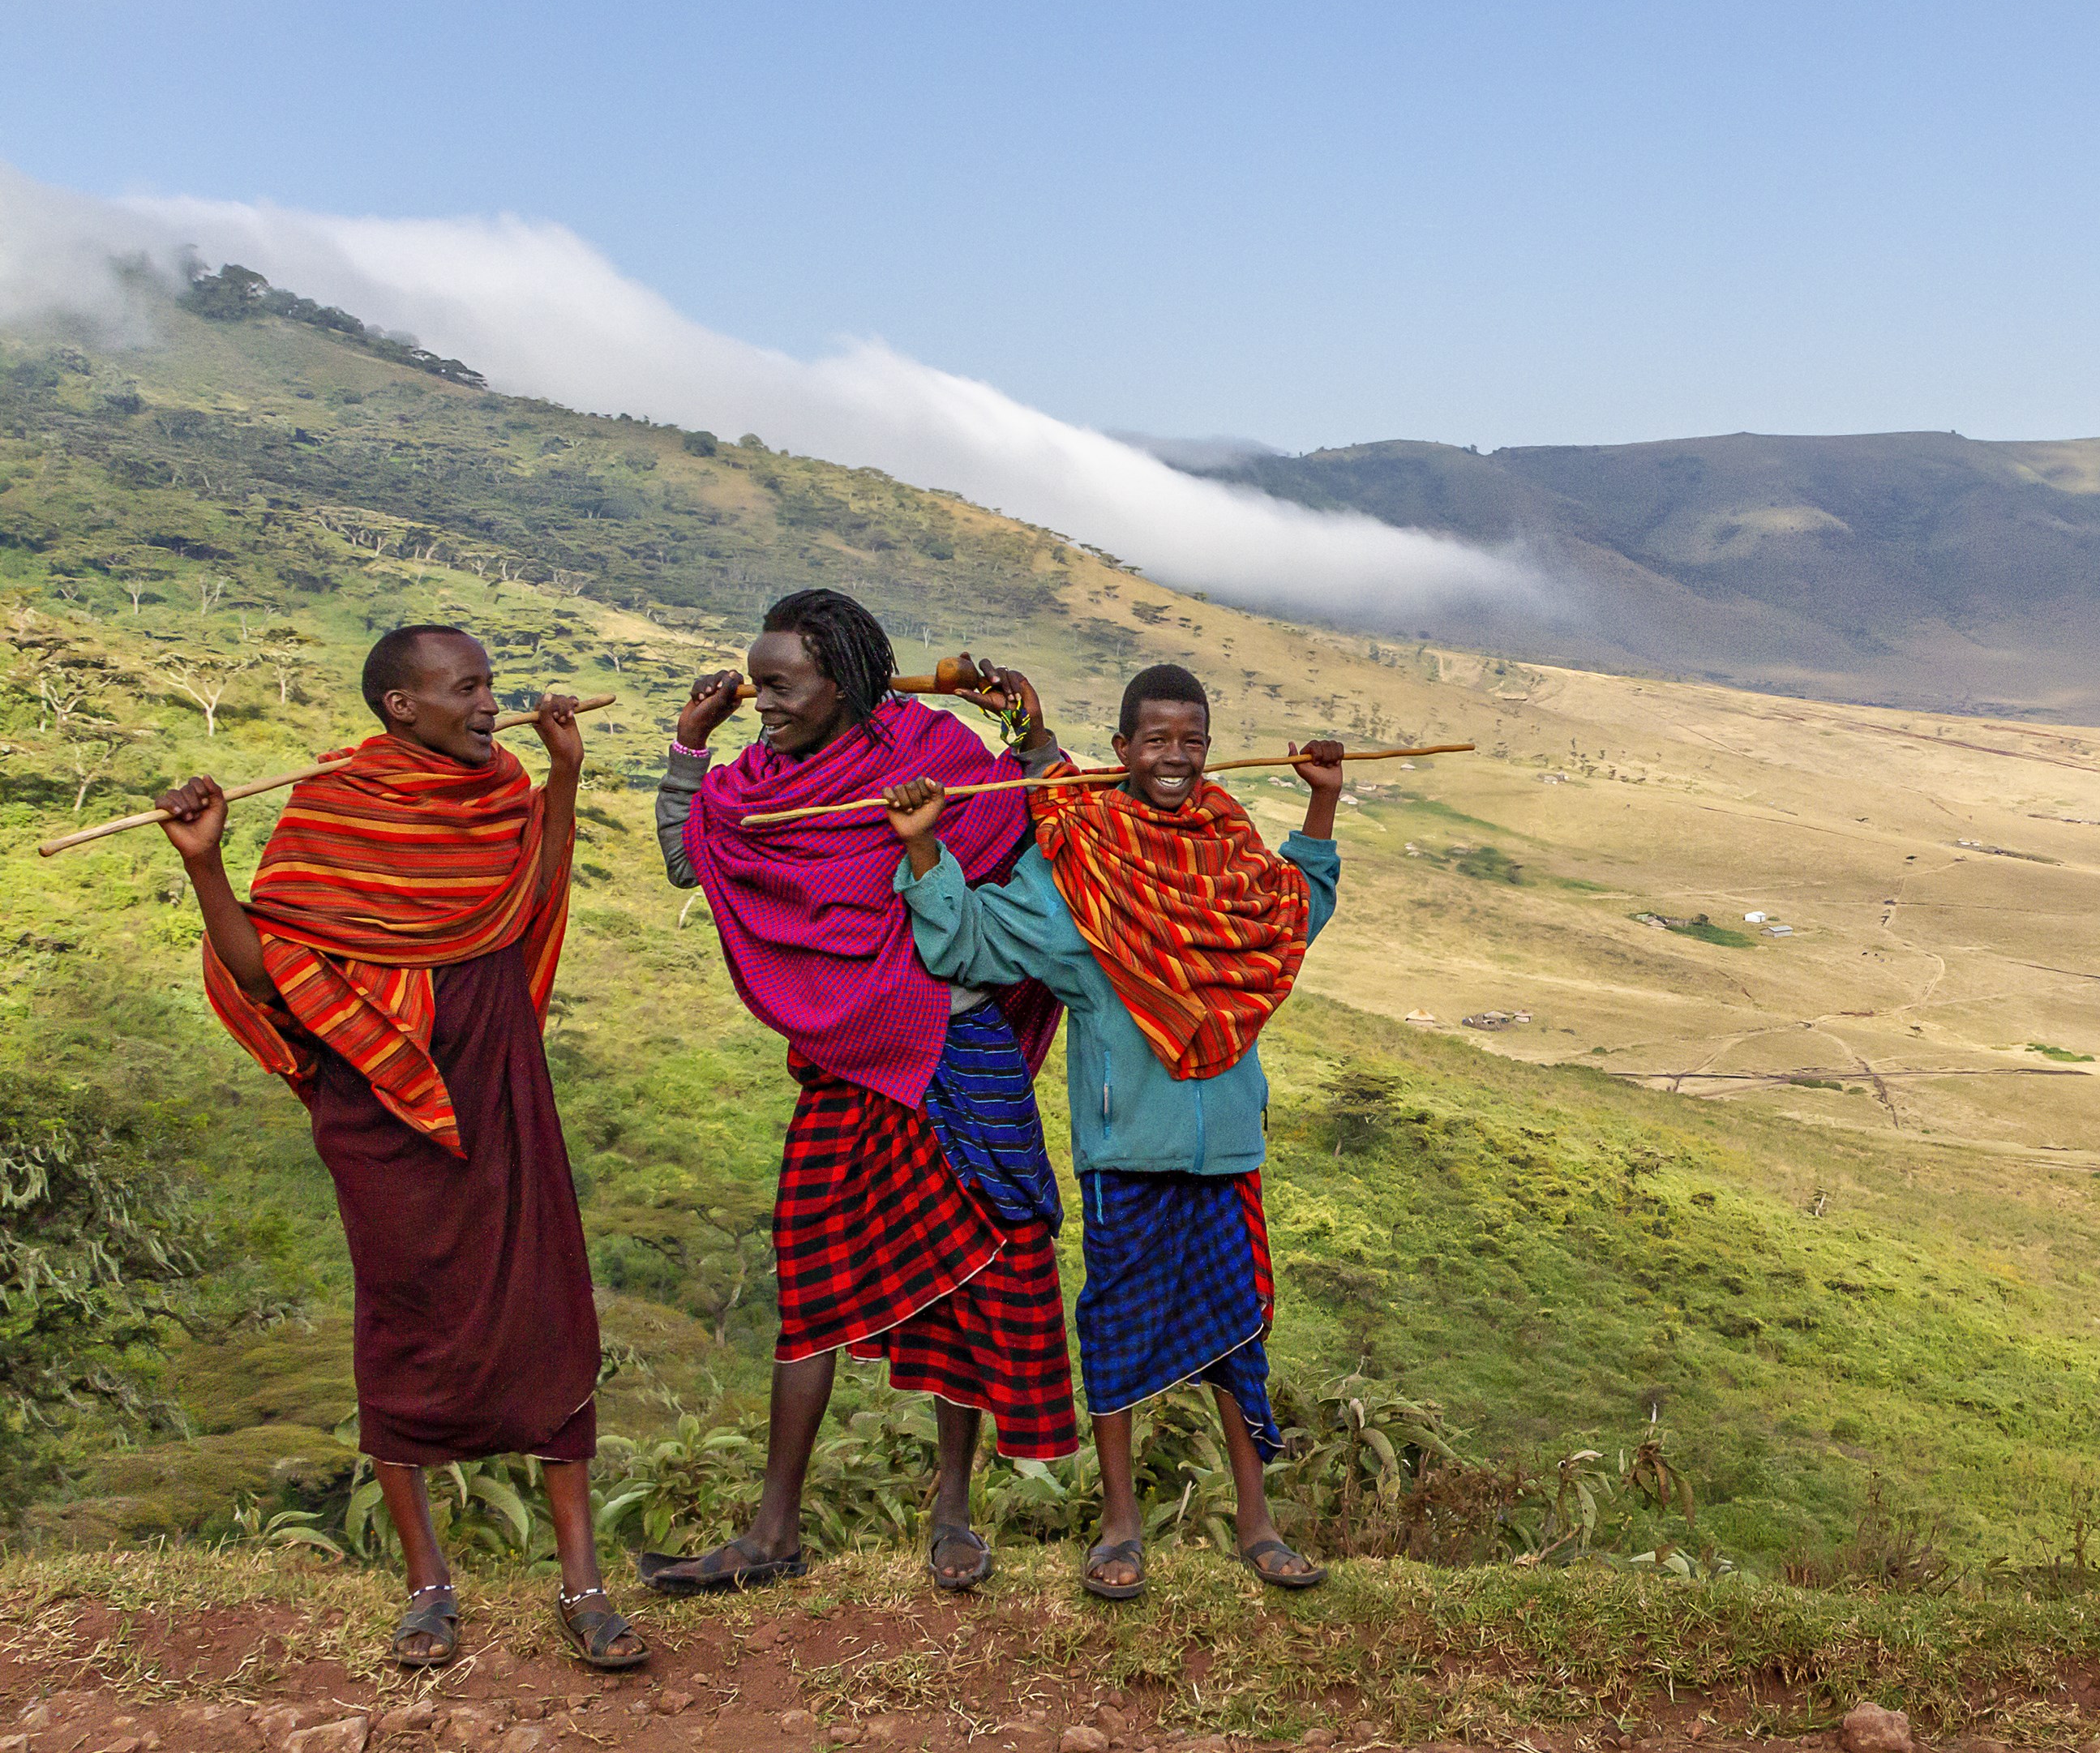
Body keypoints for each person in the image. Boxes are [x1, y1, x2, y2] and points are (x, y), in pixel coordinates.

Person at [156, 627, 645, 1673]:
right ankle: (429, 1590)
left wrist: (562, 775)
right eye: (466, 689)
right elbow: (262, 974)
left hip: (500, 1077)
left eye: (489, 688)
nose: (488, 704)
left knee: (547, 1312)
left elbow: (535, 899)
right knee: (403, 1326)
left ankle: (584, 1586)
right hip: (378, 1100)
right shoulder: (331, 808)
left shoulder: (504, 784)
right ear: (400, 707)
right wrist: (209, 869)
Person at [881, 662, 1344, 1602]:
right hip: (1124, 1152)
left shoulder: (1232, 852)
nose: (1176, 757)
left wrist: (1321, 807)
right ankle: (1120, 1528)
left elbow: (1296, 912)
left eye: (1193, 740)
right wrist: (925, 853)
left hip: (1229, 1157)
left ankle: (1257, 1526)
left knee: (1238, 1341)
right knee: (1120, 1335)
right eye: (1157, 740)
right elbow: (966, 938)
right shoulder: (1079, 873)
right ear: (1123, 749)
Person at [645, 589, 1077, 1597]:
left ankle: (953, 1515)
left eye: (782, 687)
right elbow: (685, 862)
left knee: (971, 1273)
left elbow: (1034, 828)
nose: (764, 706)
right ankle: (773, 1533)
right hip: (846, 1066)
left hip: (955, 1051)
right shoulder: (749, 782)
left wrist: (1032, 731)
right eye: (756, 688)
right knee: (807, 1282)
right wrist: (685, 748)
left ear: (842, 679)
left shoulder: (928, 747)